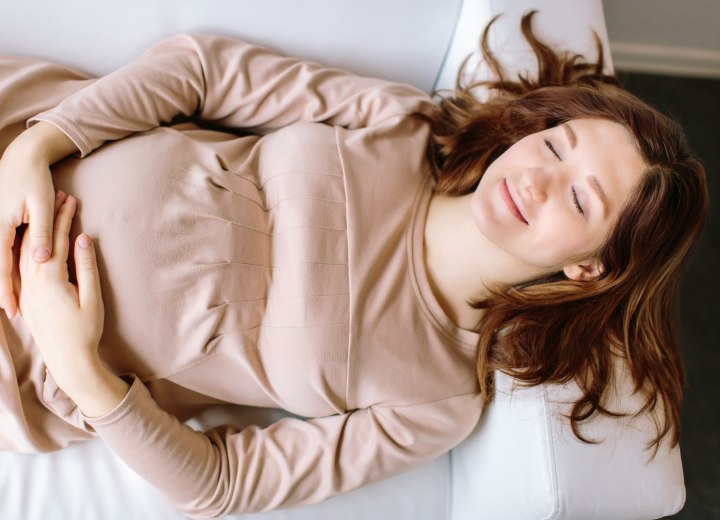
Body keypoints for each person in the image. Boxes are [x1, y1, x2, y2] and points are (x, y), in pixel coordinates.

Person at [0, 11, 707, 517]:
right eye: (555, 145)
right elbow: (205, 70)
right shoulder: (402, 124)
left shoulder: (438, 401)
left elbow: (220, 486)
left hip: (21, 352)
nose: (537, 181)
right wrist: (37, 147)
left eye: (580, 202)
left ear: (590, 268)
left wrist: (81, 370)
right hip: (25, 144)